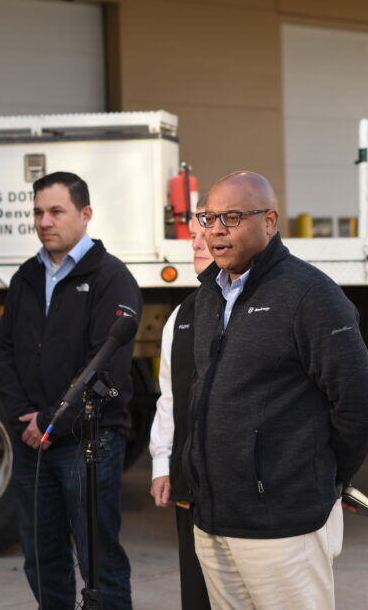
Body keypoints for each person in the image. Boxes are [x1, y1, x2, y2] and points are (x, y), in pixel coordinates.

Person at [185, 171, 368, 609]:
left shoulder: (310, 295)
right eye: (209, 217)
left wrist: (324, 480)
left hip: (283, 526)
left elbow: (359, 405)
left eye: (232, 217)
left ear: (270, 221)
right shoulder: (208, 296)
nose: (216, 229)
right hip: (215, 521)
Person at [0, 171, 142, 610]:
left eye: (56, 211)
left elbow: (106, 366)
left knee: (98, 559)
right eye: (38, 212)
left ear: (85, 214)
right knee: (41, 557)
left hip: (88, 441)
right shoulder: (26, 277)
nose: (44, 221)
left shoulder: (111, 278)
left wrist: (53, 420)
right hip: (32, 439)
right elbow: (3, 351)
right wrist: (26, 414)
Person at [149, 198, 213, 609]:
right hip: (193, 490)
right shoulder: (181, 316)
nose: (197, 245)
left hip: (252, 497)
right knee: (197, 594)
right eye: (193, 236)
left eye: (206, 234)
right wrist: (162, 464)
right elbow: (169, 397)